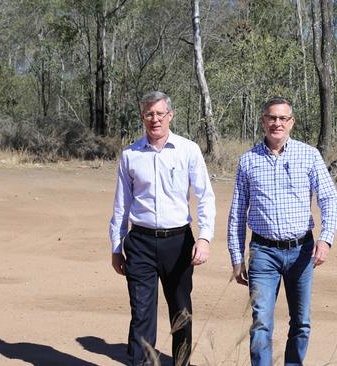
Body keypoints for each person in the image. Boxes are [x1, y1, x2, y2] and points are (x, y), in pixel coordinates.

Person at [227, 97, 337, 365]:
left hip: (302, 251)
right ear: (263, 121)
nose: (277, 123)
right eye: (271, 118)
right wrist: (236, 257)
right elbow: (237, 212)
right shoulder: (248, 161)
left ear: (292, 122)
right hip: (262, 253)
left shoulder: (309, 155)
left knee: (301, 322)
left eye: (282, 118)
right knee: (261, 323)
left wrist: (326, 240)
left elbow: (329, 199)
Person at [109, 91, 216, 366]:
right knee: (142, 313)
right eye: (149, 114)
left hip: (179, 243)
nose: (154, 119)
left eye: (159, 113)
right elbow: (121, 204)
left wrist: (204, 239)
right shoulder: (130, 155)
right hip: (140, 242)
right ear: (142, 117)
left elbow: (205, 197)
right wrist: (116, 246)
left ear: (170, 115)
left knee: (181, 311)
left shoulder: (188, 150)